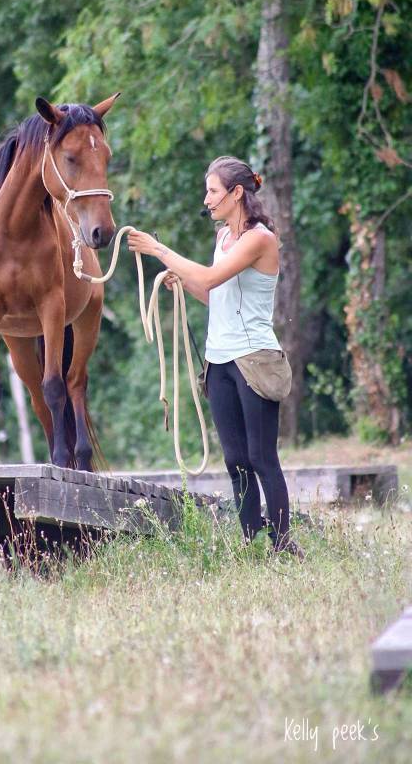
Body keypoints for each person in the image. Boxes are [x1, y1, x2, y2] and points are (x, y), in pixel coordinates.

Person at [127, 155, 305, 561]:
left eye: (212, 191)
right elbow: (212, 293)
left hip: (254, 359)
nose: (206, 200)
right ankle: (249, 543)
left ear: (236, 193)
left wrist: (158, 250)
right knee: (235, 460)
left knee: (262, 457)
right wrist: (182, 283)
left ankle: (282, 544)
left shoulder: (259, 239)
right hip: (220, 361)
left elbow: (209, 277)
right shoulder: (223, 238)